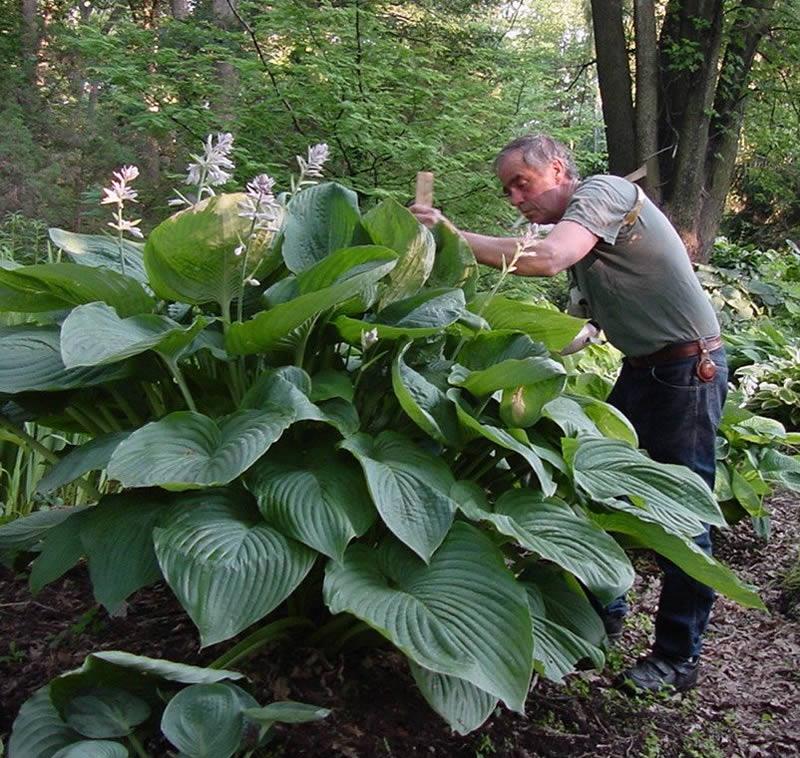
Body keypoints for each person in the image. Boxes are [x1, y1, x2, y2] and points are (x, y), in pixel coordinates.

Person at [410, 134, 728, 693]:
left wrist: (452, 236)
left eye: (521, 184)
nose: (514, 199)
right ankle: (598, 620)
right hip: (644, 370)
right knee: (593, 489)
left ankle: (678, 659)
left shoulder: (605, 193)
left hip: (688, 373)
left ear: (558, 170)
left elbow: (548, 257)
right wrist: (507, 352)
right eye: (507, 189)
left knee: (683, 515)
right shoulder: (591, 246)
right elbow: (579, 334)